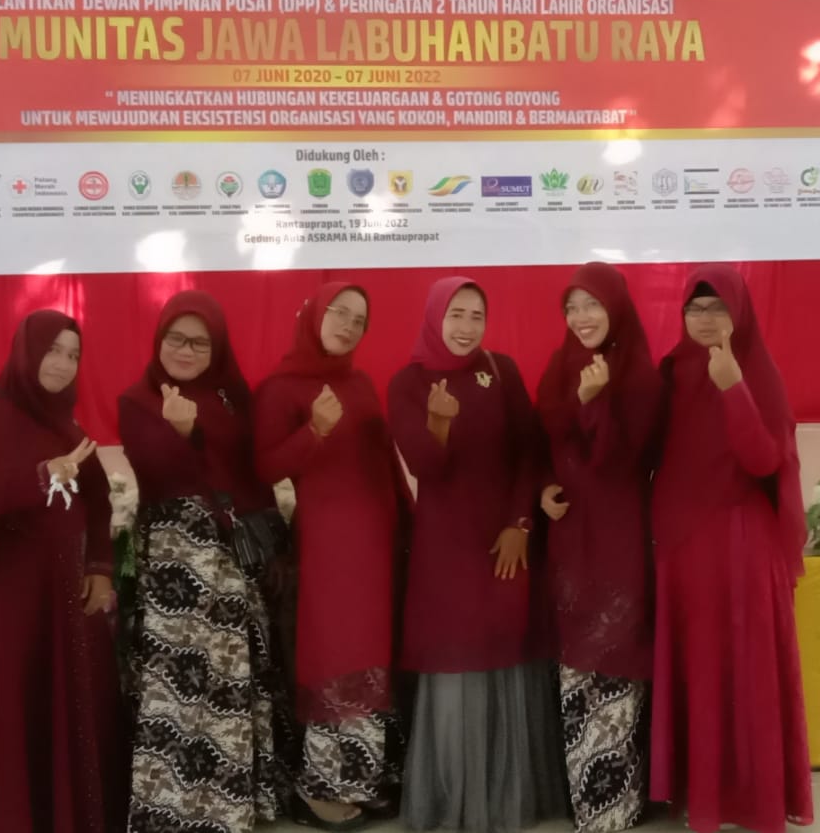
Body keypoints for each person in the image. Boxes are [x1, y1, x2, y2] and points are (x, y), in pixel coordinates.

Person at [0, 309, 123, 833]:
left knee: (72, 709)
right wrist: (39, 477)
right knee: (19, 707)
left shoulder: (65, 422)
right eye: (52, 350)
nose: (63, 364)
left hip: (66, 591)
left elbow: (99, 499)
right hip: (10, 596)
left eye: (73, 355)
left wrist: (100, 567)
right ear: (26, 352)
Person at [389, 277, 568, 833]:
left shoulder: (501, 370)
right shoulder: (407, 382)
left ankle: (510, 794)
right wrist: (439, 421)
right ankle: (454, 799)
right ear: (434, 317)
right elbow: (427, 467)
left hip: (505, 540)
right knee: (456, 661)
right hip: (446, 550)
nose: (466, 327)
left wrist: (520, 524)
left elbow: (528, 450)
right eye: (456, 314)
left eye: (476, 316)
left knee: (507, 653)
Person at [118, 290, 296, 833]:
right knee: (179, 683)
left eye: (200, 342)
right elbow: (156, 472)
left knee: (232, 678)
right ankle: (171, 806)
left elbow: (251, 470)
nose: (186, 350)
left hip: (234, 554)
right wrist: (183, 432)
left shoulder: (232, 396)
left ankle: (233, 804)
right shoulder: (138, 399)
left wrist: (274, 540)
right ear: (159, 340)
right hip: (178, 559)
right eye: (176, 338)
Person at [647, 265, 813, 833]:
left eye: (717, 307)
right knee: (696, 667)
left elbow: (764, 461)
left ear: (738, 313)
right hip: (682, 542)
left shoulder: (757, 371)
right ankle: (700, 794)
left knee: (743, 671)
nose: (705, 319)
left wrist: (732, 387)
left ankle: (749, 797)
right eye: (695, 309)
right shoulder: (670, 371)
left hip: (741, 543)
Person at [255, 283, 406, 830]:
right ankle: (320, 789)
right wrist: (314, 431)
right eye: (339, 313)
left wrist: (405, 521)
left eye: (359, 319)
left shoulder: (360, 382)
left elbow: (381, 459)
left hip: (375, 541)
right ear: (315, 316)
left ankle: (366, 780)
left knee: (370, 654)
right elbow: (265, 467)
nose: (348, 325)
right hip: (327, 544)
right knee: (334, 655)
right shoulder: (280, 387)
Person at [535, 263, 659, 833]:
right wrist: (543, 487)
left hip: (617, 536)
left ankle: (614, 806)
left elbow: (620, 459)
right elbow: (541, 440)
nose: (580, 317)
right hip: (570, 535)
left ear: (616, 308)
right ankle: (587, 800)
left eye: (592, 305)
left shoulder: (638, 373)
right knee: (575, 665)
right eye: (572, 306)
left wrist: (592, 400)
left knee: (615, 660)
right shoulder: (560, 365)